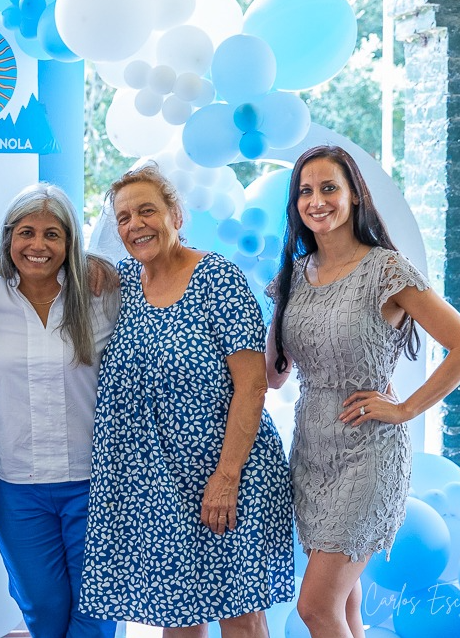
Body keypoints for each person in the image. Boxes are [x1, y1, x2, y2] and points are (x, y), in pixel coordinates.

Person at [266, 146, 460, 638]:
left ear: (355, 196)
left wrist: (405, 408)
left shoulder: (385, 269)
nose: (316, 200)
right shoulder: (294, 275)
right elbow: (274, 375)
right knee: (345, 603)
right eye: (305, 191)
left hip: (368, 454)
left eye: (329, 188)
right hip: (311, 453)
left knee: (315, 607)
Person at [78, 164, 294, 637]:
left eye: (147, 211)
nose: (135, 225)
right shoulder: (123, 283)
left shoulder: (218, 278)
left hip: (229, 475)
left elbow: (253, 385)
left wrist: (226, 478)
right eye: (124, 217)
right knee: (176, 616)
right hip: (158, 487)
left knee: (241, 619)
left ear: (175, 215)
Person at [0, 183, 120, 638]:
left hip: (95, 482)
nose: (38, 245)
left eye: (52, 234)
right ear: (8, 238)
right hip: (16, 485)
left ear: (71, 242)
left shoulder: (102, 295)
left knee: (95, 610)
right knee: (42, 607)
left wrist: (99, 263)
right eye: (27, 232)